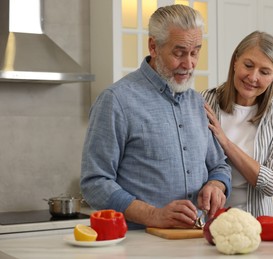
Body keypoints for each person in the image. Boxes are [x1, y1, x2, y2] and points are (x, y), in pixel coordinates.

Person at [80, 4, 231, 230]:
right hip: (139, 244)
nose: (189, 64)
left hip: (197, 239)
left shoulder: (196, 102)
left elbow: (219, 165)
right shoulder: (116, 100)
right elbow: (95, 183)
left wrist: (216, 186)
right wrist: (153, 215)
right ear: (154, 46)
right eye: (179, 53)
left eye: (195, 52)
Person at [201, 31, 273, 217]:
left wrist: (225, 142)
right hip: (206, 219)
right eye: (248, 65)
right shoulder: (203, 102)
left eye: (264, 72)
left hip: (257, 223)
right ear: (235, 61)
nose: (252, 77)